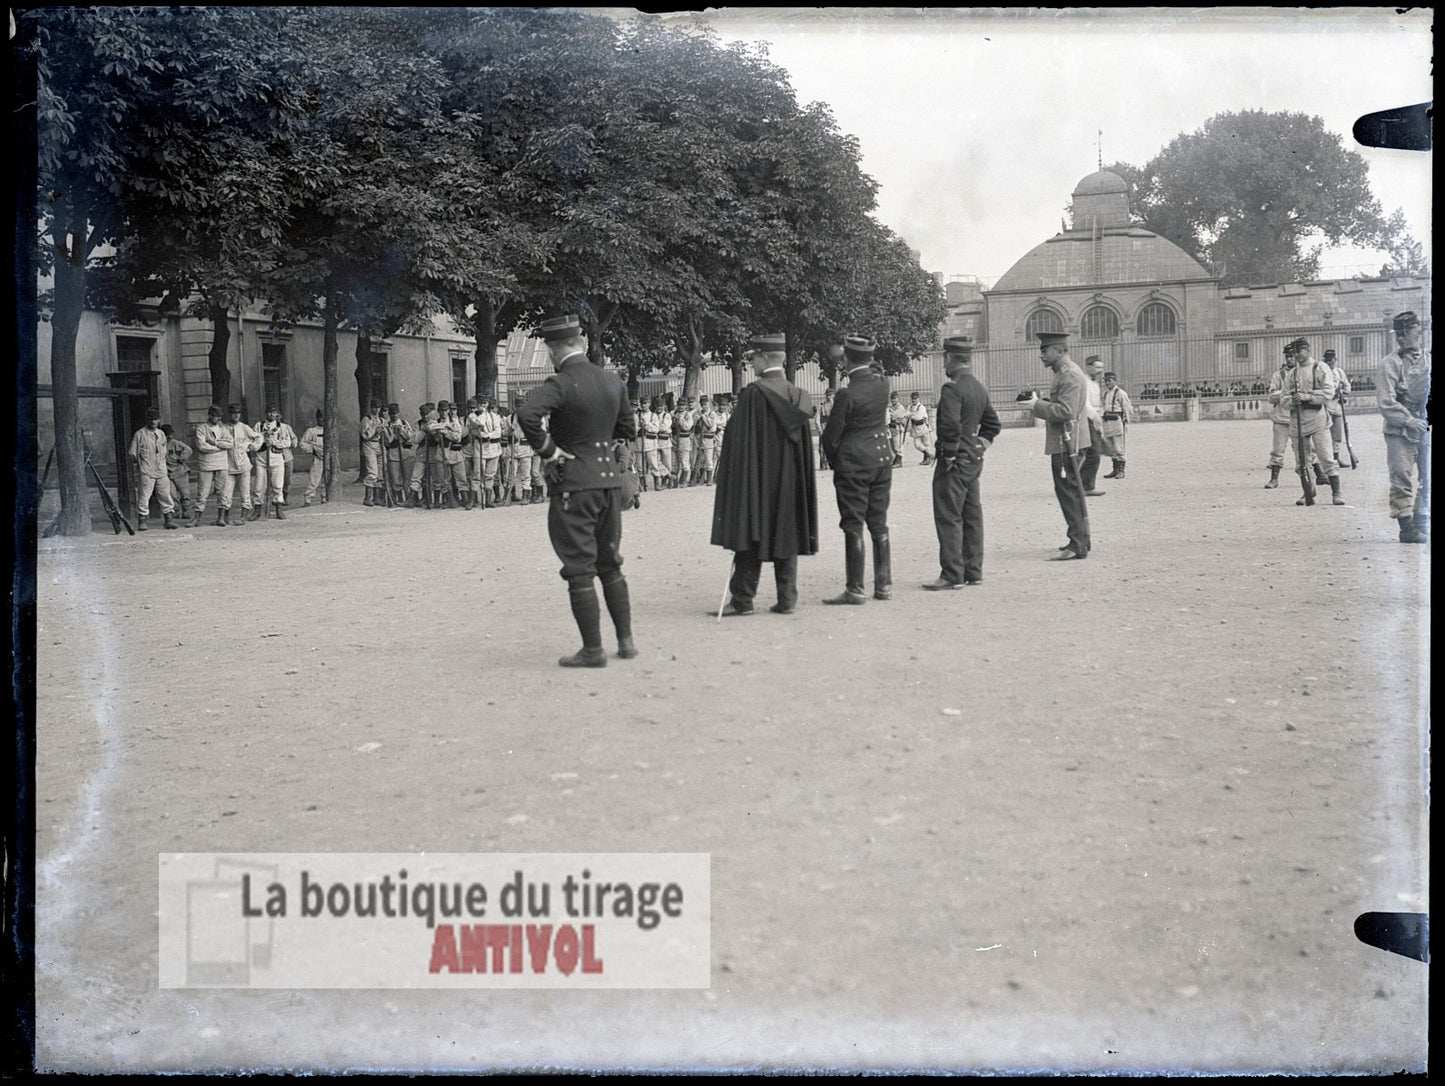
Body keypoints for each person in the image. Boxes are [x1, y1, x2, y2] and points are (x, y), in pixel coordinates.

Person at [516, 314, 639, 668]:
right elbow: (627, 428)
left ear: (556, 348)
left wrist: (551, 451)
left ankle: (592, 650)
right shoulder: (612, 381)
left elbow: (527, 413)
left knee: (579, 567)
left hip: (574, 484)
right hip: (609, 483)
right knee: (611, 564)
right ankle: (626, 642)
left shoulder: (562, 381)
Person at [711, 333, 820, 615]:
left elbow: (736, 444)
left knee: (751, 531)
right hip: (790, 483)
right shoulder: (800, 397)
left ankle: (743, 600)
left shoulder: (753, 395)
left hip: (757, 480)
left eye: (753, 359)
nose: (751, 364)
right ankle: (787, 600)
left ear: (763, 358)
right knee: (787, 532)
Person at [819, 334, 894, 604]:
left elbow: (830, 437)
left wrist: (837, 460)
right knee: (879, 524)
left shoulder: (846, 394)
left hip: (854, 464)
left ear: (847, 360)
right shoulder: (882, 385)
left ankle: (855, 589)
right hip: (882, 459)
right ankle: (883, 586)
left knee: (853, 525)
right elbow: (875, 369)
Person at [924, 337, 1000, 589]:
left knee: (948, 517)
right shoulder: (978, 387)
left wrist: (950, 454)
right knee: (972, 516)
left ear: (948, 357)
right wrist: (980, 445)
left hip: (954, 463)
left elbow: (949, 424)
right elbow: (992, 425)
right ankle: (973, 571)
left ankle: (952, 574)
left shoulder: (952, 388)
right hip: (973, 461)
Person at [1031, 331, 1091, 560]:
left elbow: (1067, 411)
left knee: (1068, 492)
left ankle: (1077, 544)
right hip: (1068, 440)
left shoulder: (1069, 375)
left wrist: (1036, 405)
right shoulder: (1064, 373)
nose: (1042, 355)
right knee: (1071, 490)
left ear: (1060, 350)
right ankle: (1081, 538)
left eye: (1045, 351)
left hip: (1068, 442)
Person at [1377, 310, 1430, 542]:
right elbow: (1386, 401)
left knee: (1427, 476)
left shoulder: (1427, 359)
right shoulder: (1390, 363)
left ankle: (1420, 520)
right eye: (1409, 334)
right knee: (1401, 476)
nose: (1414, 337)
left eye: (1417, 333)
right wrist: (1408, 419)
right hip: (1400, 430)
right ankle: (1406, 528)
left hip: (1426, 426)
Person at [1284, 338, 1344, 507]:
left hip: (1317, 418)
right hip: (1298, 420)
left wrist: (1307, 396)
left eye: (1299, 351)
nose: (1296, 356)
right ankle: (1308, 491)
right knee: (1302, 461)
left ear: (1307, 350)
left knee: (1326, 456)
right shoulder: (1292, 373)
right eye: (1294, 353)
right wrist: (1292, 400)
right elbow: (1283, 398)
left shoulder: (1320, 368)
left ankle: (1336, 492)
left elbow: (1328, 393)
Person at [128, 405, 179, 530]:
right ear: (147, 420)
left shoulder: (161, 434)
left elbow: (163, 451)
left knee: (165, 495)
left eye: (155, 419)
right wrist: (142, 463)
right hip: (147, 470)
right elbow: (132, 453)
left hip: (161, 469)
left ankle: (168, 519)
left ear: (159, 420)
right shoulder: (140, 434)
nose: (153, 422)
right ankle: (142, 521)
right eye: (150, 419)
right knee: (144, 496)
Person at [217, 403, 260, 526]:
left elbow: (258, 438)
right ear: (229, 414)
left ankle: (243, 517)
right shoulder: (223, 428)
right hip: (229, 465)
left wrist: (253, 446)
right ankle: (224, 517)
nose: (236, 415)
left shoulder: (244, 427)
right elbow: (218, 441)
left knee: (245, 492)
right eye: (233, 413)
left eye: (238, 413)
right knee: (226, 492)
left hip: (244, 465)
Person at [191, 404, 232, 527]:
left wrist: (214, 443)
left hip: (221, 464)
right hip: (206, 464)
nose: (218, 419)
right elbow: (202, 446)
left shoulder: (223, 428)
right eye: (216, 416)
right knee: (202, 492)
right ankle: (196, 519)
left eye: (219, 417)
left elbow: (230, 443)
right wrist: (219, 448)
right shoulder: (201, 428)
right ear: (210, 415)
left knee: (222, 491)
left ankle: (220, 517)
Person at [251, 406, 294, 520]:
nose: (271, 414)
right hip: (262, 459)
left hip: (276, 458)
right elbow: (253, 442)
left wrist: (274, 442)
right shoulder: (258, 426)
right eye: (270, 412)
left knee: (277, 485)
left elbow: (287, 443)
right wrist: (263, 441)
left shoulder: (283, 427)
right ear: (266, 413)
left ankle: (278, 509)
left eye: (274, 412)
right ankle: (257, 510)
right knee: (259, 486)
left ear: (277, 414)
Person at [1264, 347, 1298, 489]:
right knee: (1277, 450)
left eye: (1292, 356)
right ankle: (1274, 479)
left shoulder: (1303, 373)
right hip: (1281, 418)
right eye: (1287, 356)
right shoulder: (1278, 376)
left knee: (1304, 450)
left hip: (1299, 418)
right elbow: (1271, 397)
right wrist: (1286, 393)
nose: (1290, 359)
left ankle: (1312, 478)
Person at [1079, 356, 1108, 497]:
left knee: (1090, 453)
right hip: (1087, 419)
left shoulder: (1095, 383)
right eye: (1097, 368)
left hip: (1095, 419)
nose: (1100, 371)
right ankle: (1084, 486)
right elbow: (1085, 404)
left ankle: (1080, 484)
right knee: (1094, 453)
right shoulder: (1084, 382)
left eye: (1101, 368)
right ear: (1088, 367)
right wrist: (1096, 419)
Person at [1322, 348, 1353, 471]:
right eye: (1327, 360)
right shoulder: (1322, 372)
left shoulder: (1340, 372)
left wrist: (1342, 394)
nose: (1330, 363)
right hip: (1326, 408)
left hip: (1338, 408)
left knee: (1337, 436)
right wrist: (1330, 393)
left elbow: (1348, 387)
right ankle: (1327, 460)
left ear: (1335, 359)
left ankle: (1336, 458)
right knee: (1326, 436)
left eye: (1332, 360)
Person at [1099, 371, 1134, 479]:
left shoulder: (1121, 393)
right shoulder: (1105, 394)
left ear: (1115, 380)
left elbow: (1127, 407)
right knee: (1111, 447)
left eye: (1110, 380)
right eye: (1106, 381)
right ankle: (1114, 469)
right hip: (1107, 422)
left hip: (1117, 421)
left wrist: (1126, 420)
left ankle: (1121, 470)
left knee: (1119, 446)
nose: (1107, 383)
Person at [160, 423, 193, 521]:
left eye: (170, 434)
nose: (168, 436)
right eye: (166, 434)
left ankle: (186, 510)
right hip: (168, 473)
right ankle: (176, 510)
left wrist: (182, 458)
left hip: (180, 472)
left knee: (185, 493)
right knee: (172, 494)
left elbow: (188, 450)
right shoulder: (160, 444)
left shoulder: (176, 443)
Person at [382, 403, 413, 507]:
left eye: (395, 413)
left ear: (398, 413)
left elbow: (409, 436)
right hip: (393, 452)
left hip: (405, 452)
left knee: (408, 476)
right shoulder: (387, 425)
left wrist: (401, 430)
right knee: (395, 478)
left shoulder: (404, 423)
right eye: (391, 414)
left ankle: (409, 497)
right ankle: (399, 497)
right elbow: (387, 441)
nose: (394, 416)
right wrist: (391, 431)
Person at [298, 409, 327, 506]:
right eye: (321, 417)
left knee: (327, 479)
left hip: (328, 458)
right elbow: (302, 443)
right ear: (317, 418)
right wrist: (313, 449)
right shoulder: (312, 431)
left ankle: (324, 497)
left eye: (324, 417)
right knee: (314, 479)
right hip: (317, 458)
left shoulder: (330, 430)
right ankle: (308, 499)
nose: (323, 420)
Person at [360, 400, 385, 507]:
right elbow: (364, 435)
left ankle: (377, 498)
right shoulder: (367, 419)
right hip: (369, 445)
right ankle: (368, 498)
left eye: (378, 407)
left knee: (380, 472)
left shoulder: (382, 420)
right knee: (372, 472)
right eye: (374, 407)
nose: (376, 410)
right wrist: (376, 431)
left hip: (379, 445)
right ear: (371, 408)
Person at [673, 396, 698, 487]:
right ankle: (674, 481)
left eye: (683, 405)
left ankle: (683, 481)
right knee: (674, 462)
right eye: (679, 405)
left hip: (684, 439)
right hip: (674, 439)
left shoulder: (688, 415)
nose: (681, 407)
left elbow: (687, 427)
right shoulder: (673, 413)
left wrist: (680, 419)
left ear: (686, 406)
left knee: (684, 461)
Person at [886, 391, 908, 467]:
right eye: (892, 399)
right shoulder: (892, 407)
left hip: (898, 428)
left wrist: (890, 413)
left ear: (898, 398)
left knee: (897, 445)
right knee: (893, 446)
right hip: (892, 428)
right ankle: (896, 460)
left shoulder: (900, 407)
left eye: (894, 398)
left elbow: (894, 417)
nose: (893, 400)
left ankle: (899, 462)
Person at [816, 387, 835, 470]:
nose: (829, 397)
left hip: (833, 429)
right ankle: (823, 465)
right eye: (827, 395)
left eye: (830, 395)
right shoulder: (821, 406)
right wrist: (820, 430)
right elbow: (817, 419)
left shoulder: (837, 406)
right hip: (824, 428)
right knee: (822, 448)